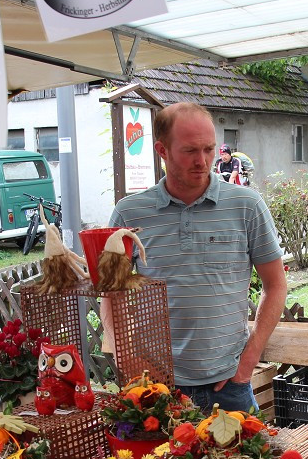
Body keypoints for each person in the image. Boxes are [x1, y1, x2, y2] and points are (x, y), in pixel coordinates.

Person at [109, 103, 288, 413]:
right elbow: (112, 295)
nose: (203, 161)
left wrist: (249, 359)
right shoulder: (129, 213)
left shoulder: (245, 205)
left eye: (209, 149)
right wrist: (126, 359)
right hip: (158, 391)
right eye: (190, 151)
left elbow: (276, 285)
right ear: (162, 150)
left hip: (230, 387)